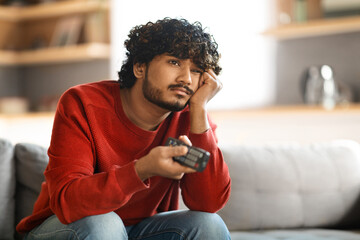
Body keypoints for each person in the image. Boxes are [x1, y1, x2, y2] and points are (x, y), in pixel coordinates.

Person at [17, 17, 231, 240]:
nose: (186, 79)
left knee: (209, 225)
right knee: (104, 223)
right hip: (67, 227)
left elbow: (208, 203)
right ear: (140, 67)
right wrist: (141, 170)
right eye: (174, 62)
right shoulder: (82, 103)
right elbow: (68, 202)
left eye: (196, 71)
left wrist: (199, 109)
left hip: (139, 230)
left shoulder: (191, 117)